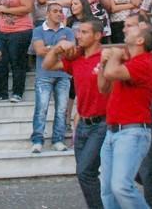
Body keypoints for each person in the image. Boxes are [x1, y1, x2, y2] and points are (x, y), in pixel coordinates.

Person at [43, 19, 108, 208]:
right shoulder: (77, 57)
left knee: (86, 172)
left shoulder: (106, 56)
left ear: (98, 36)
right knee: (86, 172)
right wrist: (56, 49)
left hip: (103, 122)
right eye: (79, 32)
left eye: (84, 32)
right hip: (83, 123)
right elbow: (47, 65)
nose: (79, 36)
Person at [97, 19, 152, 209]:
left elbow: (112, 73)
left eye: (133, 27)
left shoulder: (144, 62)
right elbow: (103, 87)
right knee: (107, 189)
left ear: (140, 40)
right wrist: (103, 63)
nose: (126, 28)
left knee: (121, 187)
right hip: (113, 130)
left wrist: (114, 55)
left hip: (132, 131)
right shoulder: (129, 61)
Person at [30, 2, 74, 153]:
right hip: (44, 74)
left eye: (61, 11)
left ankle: (58, 140)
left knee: (62, 110)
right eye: (55, 11)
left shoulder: (68, 31)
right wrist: (59, 48)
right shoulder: (38, 30)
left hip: (63, 75)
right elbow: (39, 50)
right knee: (41, 109)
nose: (59, 13)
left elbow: (70, 52)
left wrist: (49, 48)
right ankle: (37, 140)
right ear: (47, 14)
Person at [0, 0, 34, 103]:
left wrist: (5, 10)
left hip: (20, 31)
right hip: (2, 30)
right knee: (0, 61)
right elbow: (3, 8)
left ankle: (17, 92)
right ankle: (1, 92)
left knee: (17, 62)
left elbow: (27, 8)